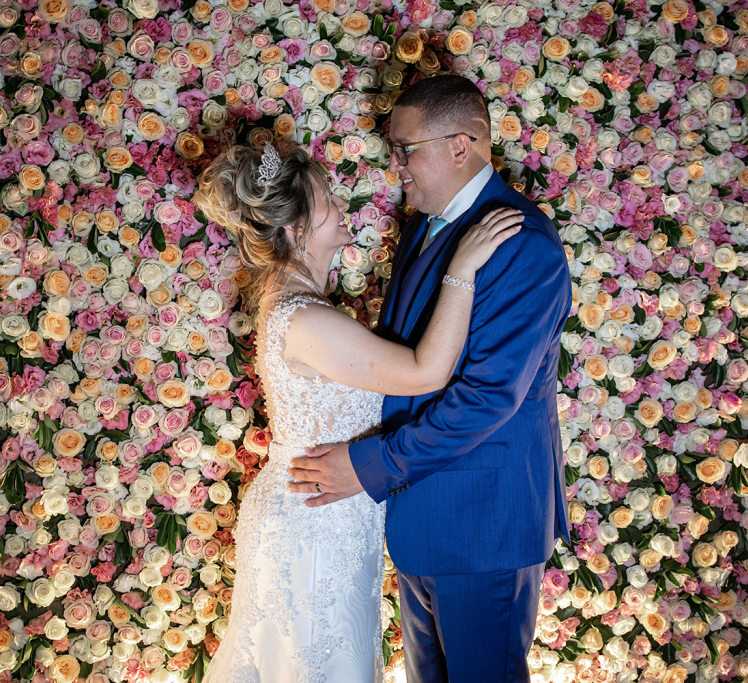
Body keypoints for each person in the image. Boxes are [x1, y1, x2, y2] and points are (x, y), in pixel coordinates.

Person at [192, 139, 523, 682]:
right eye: (327, 198)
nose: (341, 204)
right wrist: (462, 267)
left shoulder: (299, 303)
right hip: (314, 520)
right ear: (296, 228)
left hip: (323, 506)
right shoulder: (306, 319)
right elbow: (426, 371)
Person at [288, 74, 574, 682]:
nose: (396, 167)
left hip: (482, 527)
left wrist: (369, 467)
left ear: (460, 146)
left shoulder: (521, 245)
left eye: (405, 150)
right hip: (421, 517)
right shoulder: (425, 224)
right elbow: (403, 357)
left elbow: (487, 397)